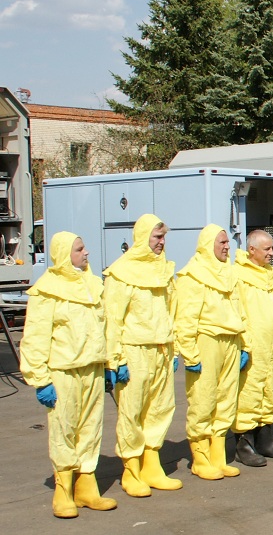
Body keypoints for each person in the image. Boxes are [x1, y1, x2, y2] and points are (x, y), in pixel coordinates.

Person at [21, 232, 117, 518]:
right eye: (80, 249)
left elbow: (105, 328)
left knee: (90, 428)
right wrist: (40, 379)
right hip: (62, 372)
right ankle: (63, 490)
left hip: (92, 368)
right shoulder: (47, 290)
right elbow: (35, 337)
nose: (86, 253)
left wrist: (109, 363)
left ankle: (87, 486)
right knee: (64, 430)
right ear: (65, 254)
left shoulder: (93, 286)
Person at [103, 214, 182, 497]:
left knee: (160, 408)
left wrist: (173, 349)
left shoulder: (163, 270)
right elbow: (112, 319)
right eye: (157, 237)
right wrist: (115, 360)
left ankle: (152, 463)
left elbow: (171, 311)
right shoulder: (121, 272)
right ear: (142, 237)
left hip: (161, 349)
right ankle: (131, 470)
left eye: (163, 238)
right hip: (134, 351)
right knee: (132, 411)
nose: (161, 243)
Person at [174, 224, 248, 480]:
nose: (227, 247)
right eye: (222, 243)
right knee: (203, 398)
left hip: (231, 340)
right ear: (208, 245)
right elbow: (185, 318)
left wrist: (244, 344)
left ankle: (219, 455)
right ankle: (200, 457)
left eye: (227, 242)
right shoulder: (192, 276)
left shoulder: (230, 274)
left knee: (227, 398)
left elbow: (241, 311)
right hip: (206, 340)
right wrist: (190, 353)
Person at [232, 230, 273, 466]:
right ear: (252, 250)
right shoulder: (238, 276)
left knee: (269, 391)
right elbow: (237, 312)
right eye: (266, 249)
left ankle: (265, 440)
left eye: (272, 248)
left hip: (272, 345)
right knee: (249, 394)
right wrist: (242, 346)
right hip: (252, 346)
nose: (271, 253)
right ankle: (243, 444)